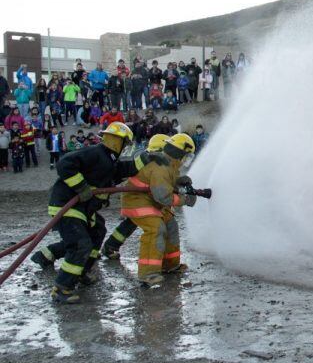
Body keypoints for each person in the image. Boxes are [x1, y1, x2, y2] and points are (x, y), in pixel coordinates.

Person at [29, 122, 145, 304]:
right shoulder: (95, 153)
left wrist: (146, 159)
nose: (125, 148)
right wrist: (81, 187)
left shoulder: (108, 159)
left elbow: (120, 171)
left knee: (98, 231)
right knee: (80, 244)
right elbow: (65, 163)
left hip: (84, 209)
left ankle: (79, 271)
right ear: (117, 141)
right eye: (125, 143)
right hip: (67, 205)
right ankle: (62, 288)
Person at [119, 133, 197, 284]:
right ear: (180, 152)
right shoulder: (161, 165)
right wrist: (184, 199)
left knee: (171, 226)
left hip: (152, 201)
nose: (185, 160)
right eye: (186, 156)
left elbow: (167, 183)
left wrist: (180, 181)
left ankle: (170, 266)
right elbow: (163, 196)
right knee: (156, 229)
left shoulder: (170, 164)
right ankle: (148, 274)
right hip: (138, 201)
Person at [102, 134, 169, 259]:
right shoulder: (152, 163)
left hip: (140, 197)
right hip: (137, 198)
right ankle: (110, 246)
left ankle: (110, 245)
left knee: (131, 223)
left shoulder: (150, 160)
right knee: (146, 225)